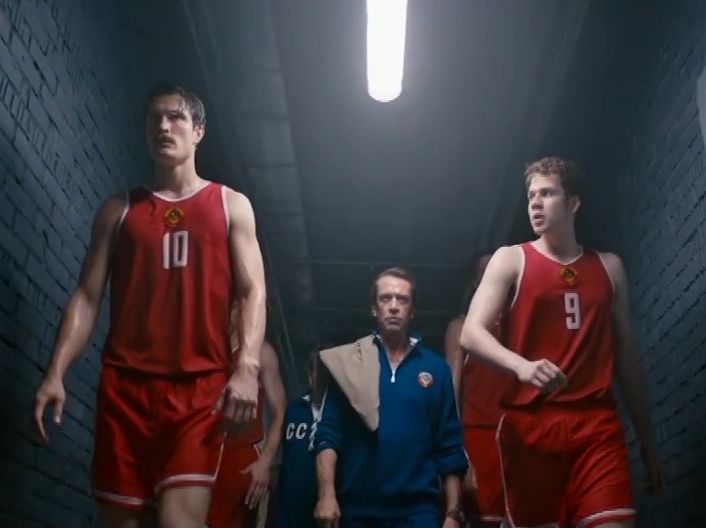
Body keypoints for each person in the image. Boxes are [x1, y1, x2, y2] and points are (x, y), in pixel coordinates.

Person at [32, 83, 267, 528]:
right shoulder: (118, 210)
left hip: (198, 391)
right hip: (125, 391)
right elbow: (87, 296)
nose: (163, 125)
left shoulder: (230, 205)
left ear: (198, 130)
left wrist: (247, 367)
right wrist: (56, 372)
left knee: (180, 522)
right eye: (154, 118)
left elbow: (253, 290)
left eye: (176, 116)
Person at [460, 157, 663, 528]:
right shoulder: (511, 259)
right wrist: (521, 366)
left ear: (573, 203)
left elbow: (626, 357)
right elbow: (471, 333)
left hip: (596, 426)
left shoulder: (609, 267)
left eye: (547, 193)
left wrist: (647, 442)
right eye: (531, 196)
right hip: (531, 428)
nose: (535, 203)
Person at [313, 267, 468, 528]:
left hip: (418, 511)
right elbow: (328, 434)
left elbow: (449, 445)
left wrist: (453, 515)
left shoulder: (436, 369)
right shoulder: (350, 363)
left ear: (412, 310)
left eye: (402, 299)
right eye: (385, 298)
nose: (394, 306)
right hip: (358, 509)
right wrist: (326, 495)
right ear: (374, 308)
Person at [444, 253, 505, 527]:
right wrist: (459, 454)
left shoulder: (520, 322)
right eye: (485, 271)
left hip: (517, 436)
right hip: (479, 435)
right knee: (483, 518)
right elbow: (449, 395)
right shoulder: (461, 327)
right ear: (475, 280)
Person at [208, 340, 286, 528]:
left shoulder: (262, 353)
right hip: (199, 451)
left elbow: (280, 412)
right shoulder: (203, 343)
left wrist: (265, 462)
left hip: (240, 458)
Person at [274, 347, 325, 528]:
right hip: (289, 509)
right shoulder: (294, 409)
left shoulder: (345, 414)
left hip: (325, 508)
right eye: (318, 370)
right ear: (310, 375)